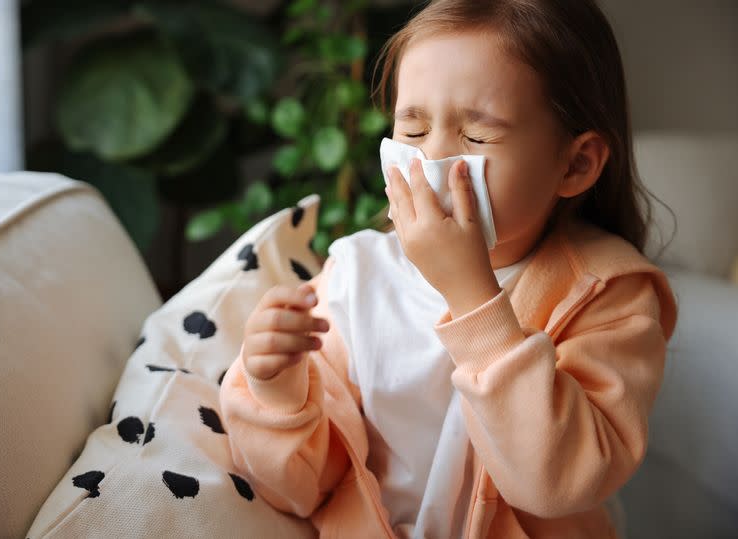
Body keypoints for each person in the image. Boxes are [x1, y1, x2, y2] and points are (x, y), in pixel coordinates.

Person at [219, 0, 678, 537]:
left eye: (477, 137)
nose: (431, 160)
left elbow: (558, 483)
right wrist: (275, 392)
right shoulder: (355, 278)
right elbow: (300, 489)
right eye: (412, 131)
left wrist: (472, 297)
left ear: (574, 164)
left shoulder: (610, 293)